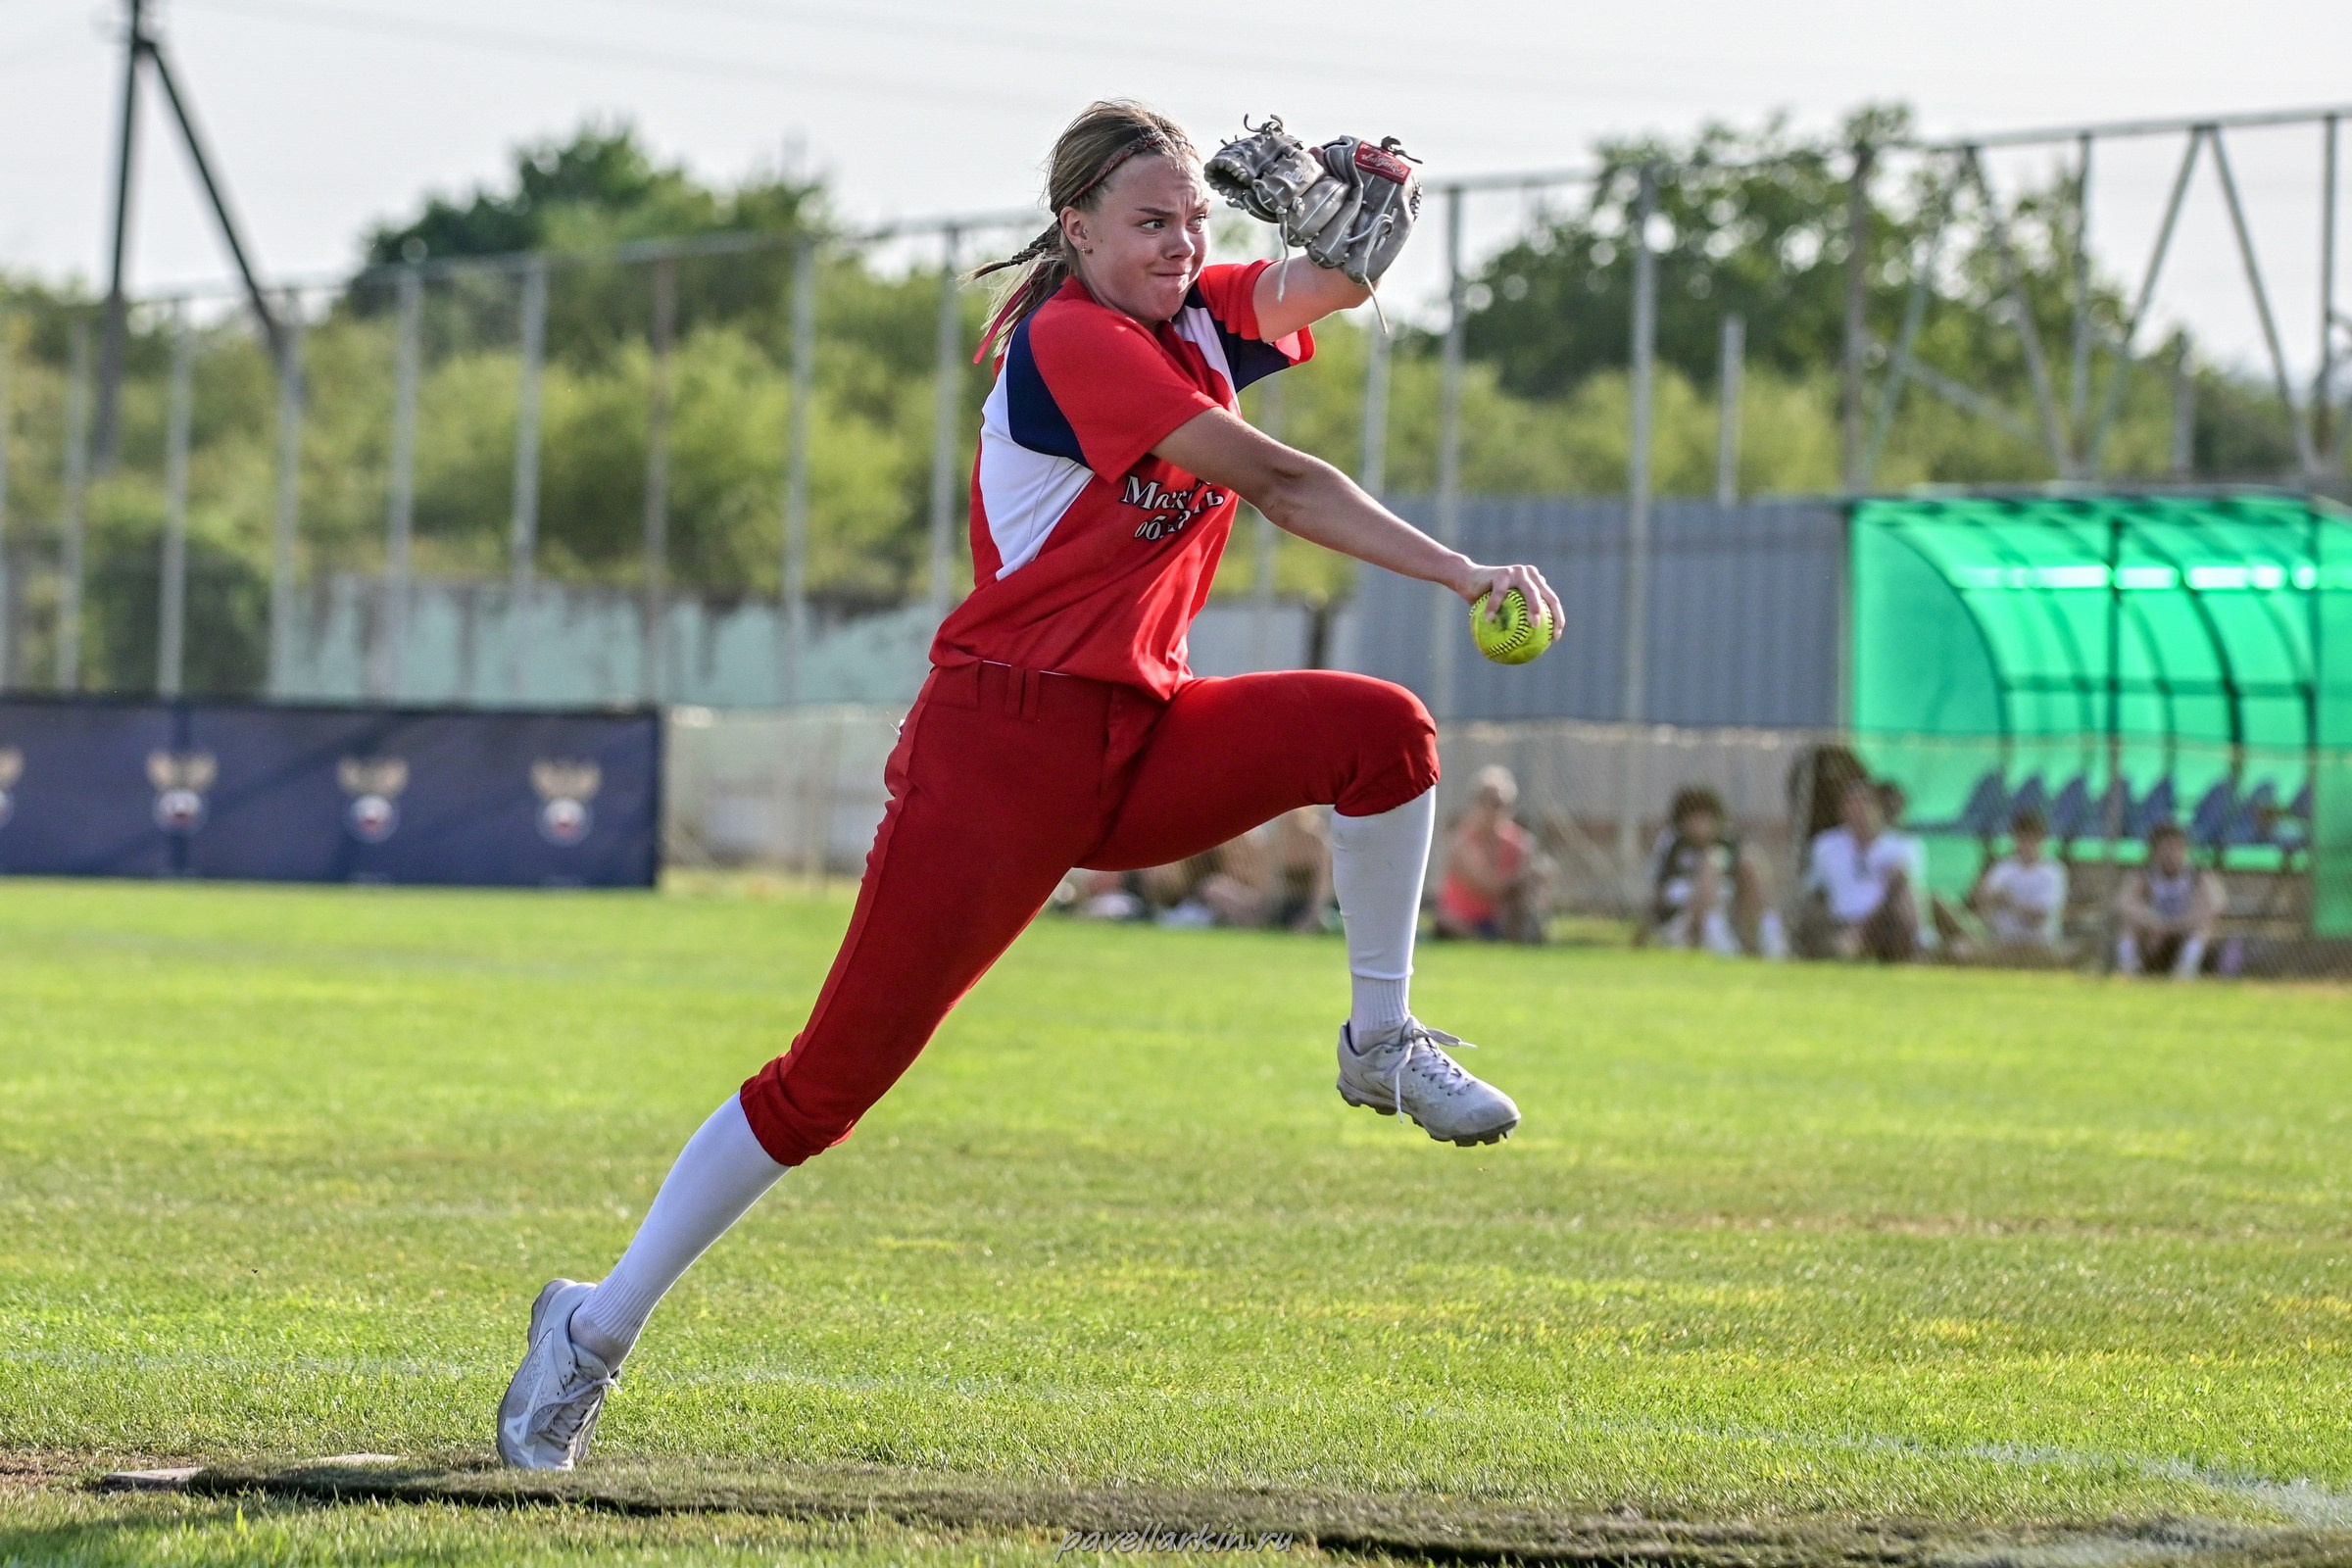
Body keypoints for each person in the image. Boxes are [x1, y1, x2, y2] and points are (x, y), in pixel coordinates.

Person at [495, 101, 1567, 1471]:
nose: (1182, 244)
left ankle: (1381, 1046)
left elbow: (1332, 280)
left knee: (1386, 738)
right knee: (829, 1087)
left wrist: (1374, 205)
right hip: (998, 754)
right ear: (1075, 231)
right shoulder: (1070, 338)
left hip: (1137, 735)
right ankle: (589, 1330)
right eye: (1148, 223)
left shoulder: (1190, 310)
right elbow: (1284, 485)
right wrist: (1466, 571)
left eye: (1193, 219)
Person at [1644, 784, 1779, 957]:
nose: (1698, 825)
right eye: (1692, 819)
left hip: (1724, 916)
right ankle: (1694, 940)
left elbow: (1744, 876)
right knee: (1711, 920)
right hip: (1679, 920)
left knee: (1722, 863)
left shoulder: (1727, 845)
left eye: (1704, 818)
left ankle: (1753, 945)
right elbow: (1658, 894)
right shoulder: (1672, 846)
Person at [1798, 778, 1918, 962]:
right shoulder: (1825, 845)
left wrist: (1862, 930)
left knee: (1901, 889)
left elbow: (1904, 896)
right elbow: (1815, 890)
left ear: (1879, 808)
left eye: (1865, 801)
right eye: (1852, 802)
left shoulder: (1903, 846)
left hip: (1885, 924)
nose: (1859, 809)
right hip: (1840, 922)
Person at [1432, 765, 1550, 943]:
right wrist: (1522, 877)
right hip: (1463, 920)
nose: (1497, 811)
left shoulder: (1519, 842)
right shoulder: (1461, 842)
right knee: (1447, 921)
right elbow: (1488, 886)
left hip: (1499, 919)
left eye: (1503, 804)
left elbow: (1536, 878)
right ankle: (1482, 939)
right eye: (1491, 803)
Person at [2114, 821, 2225, 979]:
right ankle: (2128, 969)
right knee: (2129, 925)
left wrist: (2177, 925)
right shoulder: (2146, 874)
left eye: (2175, 847)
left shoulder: (2197, 874)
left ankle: (2186, 970)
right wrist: (2154, 921)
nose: (2170, 853)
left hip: (2184, 928)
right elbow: (2124, 903)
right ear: (2155, 849)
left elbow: (2215, 906)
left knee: (2205, 927)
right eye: (2164, 847)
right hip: (2154, 931)